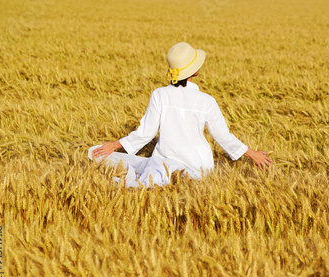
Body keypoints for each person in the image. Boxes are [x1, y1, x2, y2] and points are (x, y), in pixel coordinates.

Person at [89, 42, 273, 188]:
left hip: (163, 163)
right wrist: (253, 154)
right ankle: (155, 179)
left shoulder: (160, 94)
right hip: (198, 169)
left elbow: (146, 133)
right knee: (159, 172)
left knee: (95, 153)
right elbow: (223, 137)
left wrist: (113, 145)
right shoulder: (206, 101)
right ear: (194, 70)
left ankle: (145, 180)